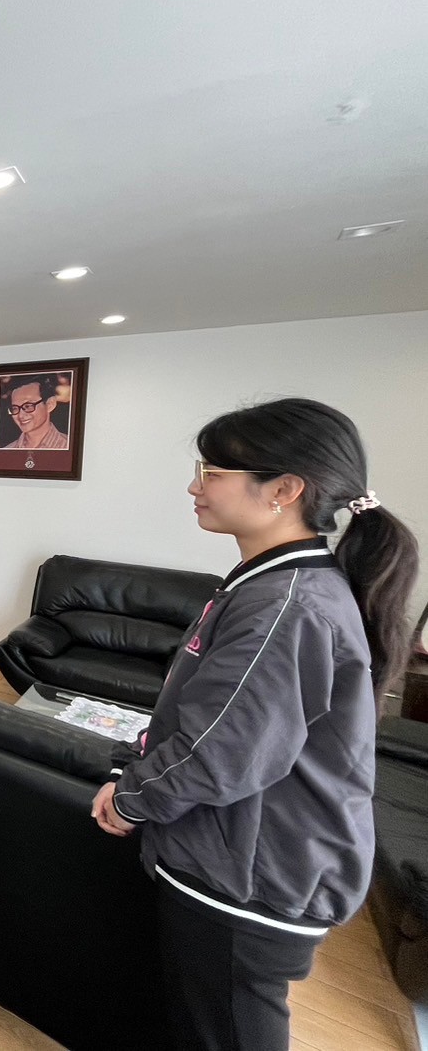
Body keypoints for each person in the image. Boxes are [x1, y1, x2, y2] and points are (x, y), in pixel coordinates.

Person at [90, 398, 419, 1050]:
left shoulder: (286, 606)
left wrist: (130, 798)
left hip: (249, 872)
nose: (194, 487)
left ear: (284, 490)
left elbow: (218, 752)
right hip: (240, 856)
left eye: (211, 473)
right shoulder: (270, 584)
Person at [0, 373, 69, 450]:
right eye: (15, 408)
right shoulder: (6, 451)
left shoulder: (69, 446)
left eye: (28, 406)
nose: (20, 415)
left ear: (50, 404)